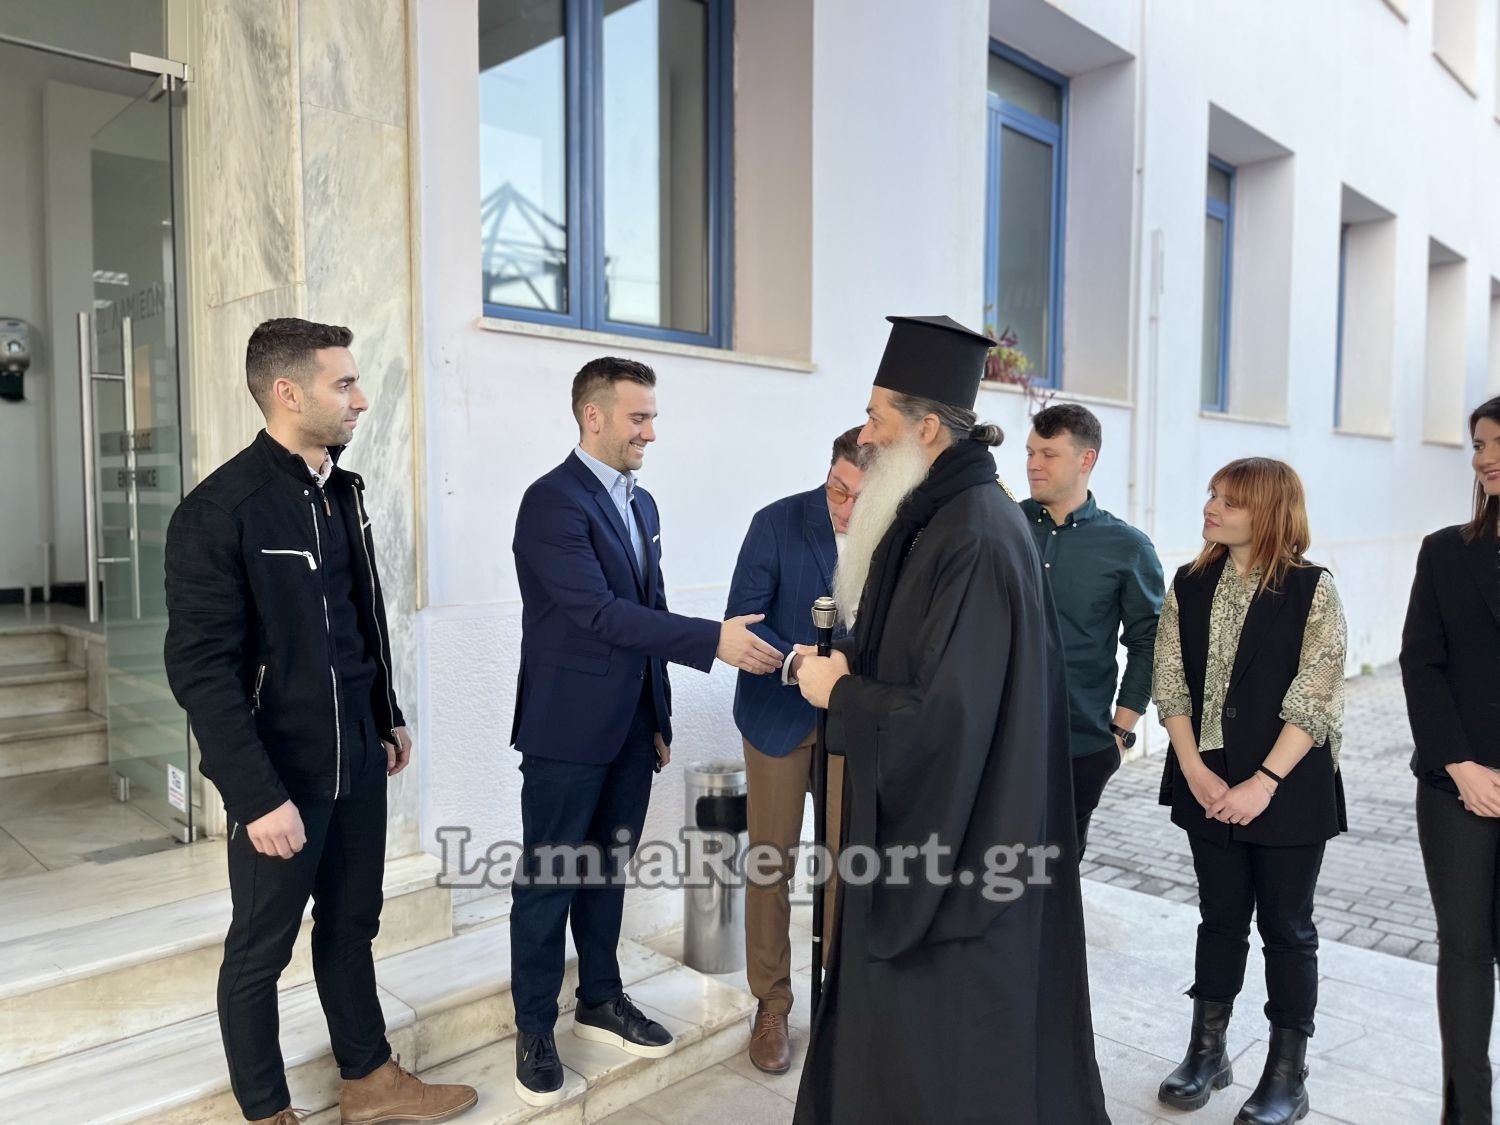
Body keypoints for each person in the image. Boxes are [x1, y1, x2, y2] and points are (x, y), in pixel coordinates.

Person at [790, 315, 1108, 1124]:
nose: (865, 435)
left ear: (926, 428)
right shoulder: (940, 513)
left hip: (963, 854)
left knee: (947, 1051)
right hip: (943, 829)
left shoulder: (973, 533)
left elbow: (947, 717)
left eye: (877, 418)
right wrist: (854, 666)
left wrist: (840, 694)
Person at [164, 318, 477, 1125]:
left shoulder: (343, 492)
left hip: (359, 759)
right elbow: (201, 670)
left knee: (351, 923)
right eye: (344, 384)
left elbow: (356, 619)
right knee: (259, 950)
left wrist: (386, 714)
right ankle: (267, 1111)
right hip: (282, 777)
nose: (361, 399)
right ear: (288, 392)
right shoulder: (220, 510)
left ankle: (369, 1079)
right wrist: (254, 794)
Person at [508, 356, 783, 1107]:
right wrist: (713, 639)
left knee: (607, 870)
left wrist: (656, 717)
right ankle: (534, 1028)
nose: (651, 433)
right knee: (550, 878)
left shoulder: (643, 503)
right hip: (566, 729)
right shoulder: (551, 503)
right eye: (639, 417)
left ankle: (600, 997)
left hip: (629, 729)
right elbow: (599, 614)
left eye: (653, 417)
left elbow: (648, 605)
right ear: (593, 416)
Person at [1152, 458, 1347, 1125]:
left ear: (1268, 512)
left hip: (1287, 788)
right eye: (1212, 493)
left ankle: (1288, 1074)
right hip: (1206, 782)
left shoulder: (1312, 589)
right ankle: (1207, 1052)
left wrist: (1263, 783)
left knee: (1287, 928)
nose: (1211, 506)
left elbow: (1315, 696)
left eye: (1229, 500)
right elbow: (1170, 682)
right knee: (1220, 918)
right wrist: (1194, 769)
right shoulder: (1189, 582)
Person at [724, 425, 870, 1074]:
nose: (846, 508)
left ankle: (840, 1001)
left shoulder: (894, 536)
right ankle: (773, 1005)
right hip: (775, 717)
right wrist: (799, 665)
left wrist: (847, 669)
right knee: (770, 864)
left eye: (861, 497)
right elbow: (743, 623)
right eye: (838, 489)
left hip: (852, 723)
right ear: (828, 470)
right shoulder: (776, 522)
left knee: (847, 864)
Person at [1400, 396, 1500, 1124]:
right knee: (1464, 950)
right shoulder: (1444, 551)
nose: (1483, 457)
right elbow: (1421, 663)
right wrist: (1461, 765)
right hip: (1455, 788)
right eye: (1479, 444)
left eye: (1495, 443)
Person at [1022, 403, 1164, 854]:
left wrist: (1120, 735)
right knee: (986, 876)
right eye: (1030, 453)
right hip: (994, 740)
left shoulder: (1127, 547)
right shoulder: (1002, 526)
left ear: (1087, 459)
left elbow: (1149, 644)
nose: (1034, 464)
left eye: (1049, 454)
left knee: (1055, 878)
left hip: (1079, 748)